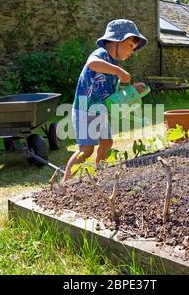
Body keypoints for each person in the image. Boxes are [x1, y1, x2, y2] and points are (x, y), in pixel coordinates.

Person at [63, 19, 148, 181]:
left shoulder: (112, 63)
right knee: (86, 150)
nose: (132, 51)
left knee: (107, 142)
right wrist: (119, 72)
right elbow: (92, 64)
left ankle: (99, 173)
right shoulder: (101, 55)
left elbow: (116, 96)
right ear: (117, 40)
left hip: (100, 111)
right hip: (85, 110)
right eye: (130, 46)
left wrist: (133, 90)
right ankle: (64, 184)